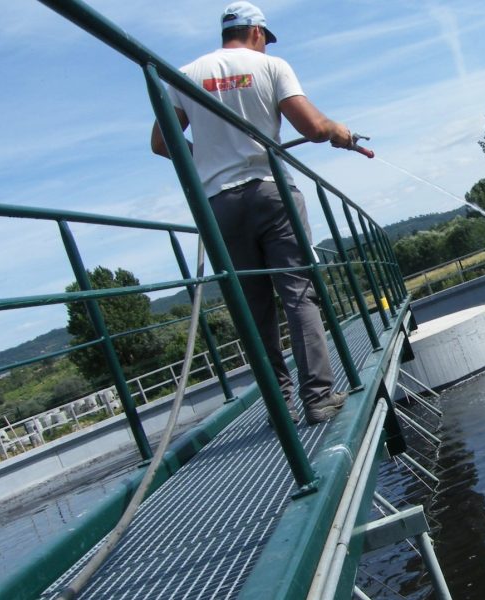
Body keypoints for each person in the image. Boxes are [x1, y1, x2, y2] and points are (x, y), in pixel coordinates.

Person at [151, 1, 354, 425]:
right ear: (257, 32)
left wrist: (203, 161)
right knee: (298, 294)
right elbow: (313, 128)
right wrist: (340, 131)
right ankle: (318, 398)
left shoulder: (185, 75)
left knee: (253, 306)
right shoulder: (271, 66)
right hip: (272, 191)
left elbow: (161, 142)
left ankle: (280, 407)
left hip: (220, 205)